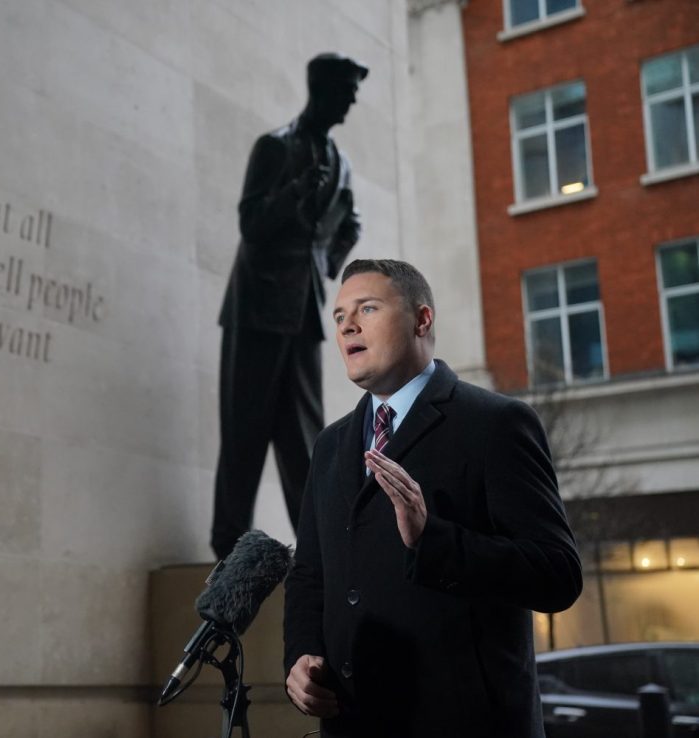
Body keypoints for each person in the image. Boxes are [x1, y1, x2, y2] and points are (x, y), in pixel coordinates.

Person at [283, 259, 583, 737]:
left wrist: (433, 539)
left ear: (422, 320)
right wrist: (300, 657)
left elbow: (557, 575)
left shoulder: (496, 424)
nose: (349, 327)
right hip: (353, 723)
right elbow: (309, 576)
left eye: (368, 309)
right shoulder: (330, 445)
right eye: (339, 317)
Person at [211, 53, 367, 560]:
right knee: (245, 432)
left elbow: (339, 231)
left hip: (304, 314)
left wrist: (341, 239)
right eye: (347, 90)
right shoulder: (275, 148)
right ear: (322, 90)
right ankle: (227, 546)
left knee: (305, 440)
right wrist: (298, 193)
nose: (352, 101)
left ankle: (319, 552)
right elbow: (251, 223)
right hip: (257, 308)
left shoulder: (340, 161)